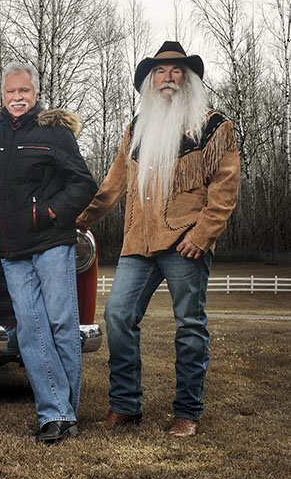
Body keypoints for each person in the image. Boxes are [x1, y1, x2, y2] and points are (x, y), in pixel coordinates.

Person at [78, 41, 240, 437]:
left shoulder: (214, 126)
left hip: (185, 241)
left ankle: (187, 411)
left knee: (189, 324)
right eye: (160, 72)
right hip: (139, 241)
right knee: (117, 315)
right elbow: (112, 186)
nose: (167, 78)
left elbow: (225, 188)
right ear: (150, 80)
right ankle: (126, 404)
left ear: (187, 77)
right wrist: (77, 220)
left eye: (175, 70)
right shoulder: (136, 128)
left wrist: (202, 235)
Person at [0, 62, 97, 444]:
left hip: (50, 243)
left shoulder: (53, 135)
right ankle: (55, 414)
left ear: (36, 95)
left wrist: (48, 212)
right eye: (10, 92)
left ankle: (63, 411)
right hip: (11, 249)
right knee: (31, 329)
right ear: (3, 95)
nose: (17, 98)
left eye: (24, 92)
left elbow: (84, 183)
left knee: (60, 324)